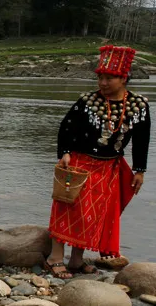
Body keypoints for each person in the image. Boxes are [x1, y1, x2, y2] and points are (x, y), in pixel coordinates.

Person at [47, 45, 150, 278]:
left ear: (124, 78)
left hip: (109, 167)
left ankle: (75, 260)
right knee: (68, 207)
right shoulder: (87, 101)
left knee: (92, 215)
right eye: (100, 78)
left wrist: (139, 170)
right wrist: (64, 152)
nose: (103, 83)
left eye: (109, 78)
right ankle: (54, 257)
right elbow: (66, 129)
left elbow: (142, 140)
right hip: (79, 164)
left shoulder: (138, 106)